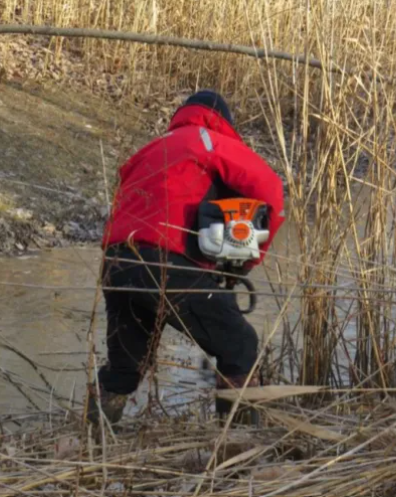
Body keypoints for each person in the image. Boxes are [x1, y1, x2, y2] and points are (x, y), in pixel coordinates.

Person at [88, 90, 285, 427]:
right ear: (224, 121)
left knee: (126, 367)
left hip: (117, 263)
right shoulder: (210, 140)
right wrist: (252, 258)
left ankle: (89, 444)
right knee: (239, 345)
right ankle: (236, 449)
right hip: (164, 264)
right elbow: (270, 191)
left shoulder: (150, 149)